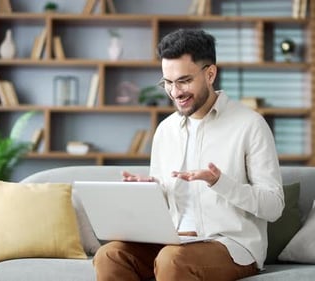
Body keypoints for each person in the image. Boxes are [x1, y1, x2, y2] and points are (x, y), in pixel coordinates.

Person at [93, 29, 284, 281]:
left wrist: (219, 183)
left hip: (230, 245)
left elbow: (274, 206)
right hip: (174, 240)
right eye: (167, 83)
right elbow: (168, 202)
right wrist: (151, 191)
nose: (175, 92)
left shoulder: (250, 125)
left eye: (183, 81)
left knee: (172, 259)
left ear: (210, 74)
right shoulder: (166, 130)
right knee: (109, 255)